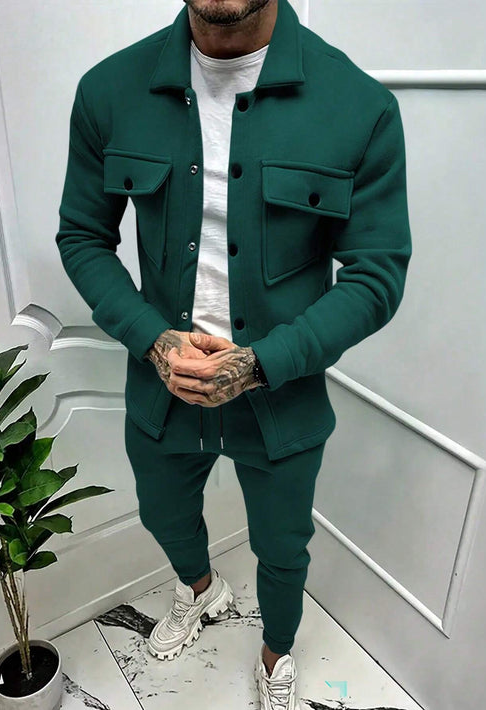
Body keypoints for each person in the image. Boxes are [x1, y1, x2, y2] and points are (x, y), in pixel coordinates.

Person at [55, 0, 412, 706]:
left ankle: (276, 655)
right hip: (162, 384)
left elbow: (376, 276)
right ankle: (200, 591)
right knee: (162, 513)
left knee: (282, 546)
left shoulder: (359, 106)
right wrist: (154, 340)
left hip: (283, 392)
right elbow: (82, 236)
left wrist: (258, 363)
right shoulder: (108, 91)